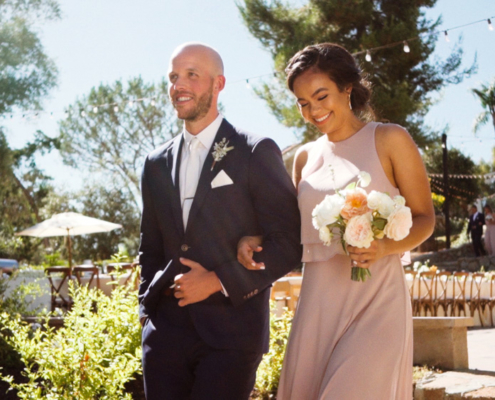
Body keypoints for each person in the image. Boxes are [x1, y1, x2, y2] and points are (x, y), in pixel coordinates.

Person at [237, 43, 435, 399]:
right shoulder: (305, 158)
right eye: (302, 103)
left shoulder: (390, 139)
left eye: (320, 95)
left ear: (347, 87)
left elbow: (425, 219)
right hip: (319, 306)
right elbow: (293, 232)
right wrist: (255, 239)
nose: (313, 110)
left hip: (378, 303)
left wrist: (384, 246)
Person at [138, 42, 302, 400]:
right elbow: (149, 246)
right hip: (164, 335)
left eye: (191, 75)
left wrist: (217, 281)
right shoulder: (154, 163)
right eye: (173, 77)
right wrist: (146, 311)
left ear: (219, 84)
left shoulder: (255, 151)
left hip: (231, 334)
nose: (178, 85)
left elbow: (289, 243)